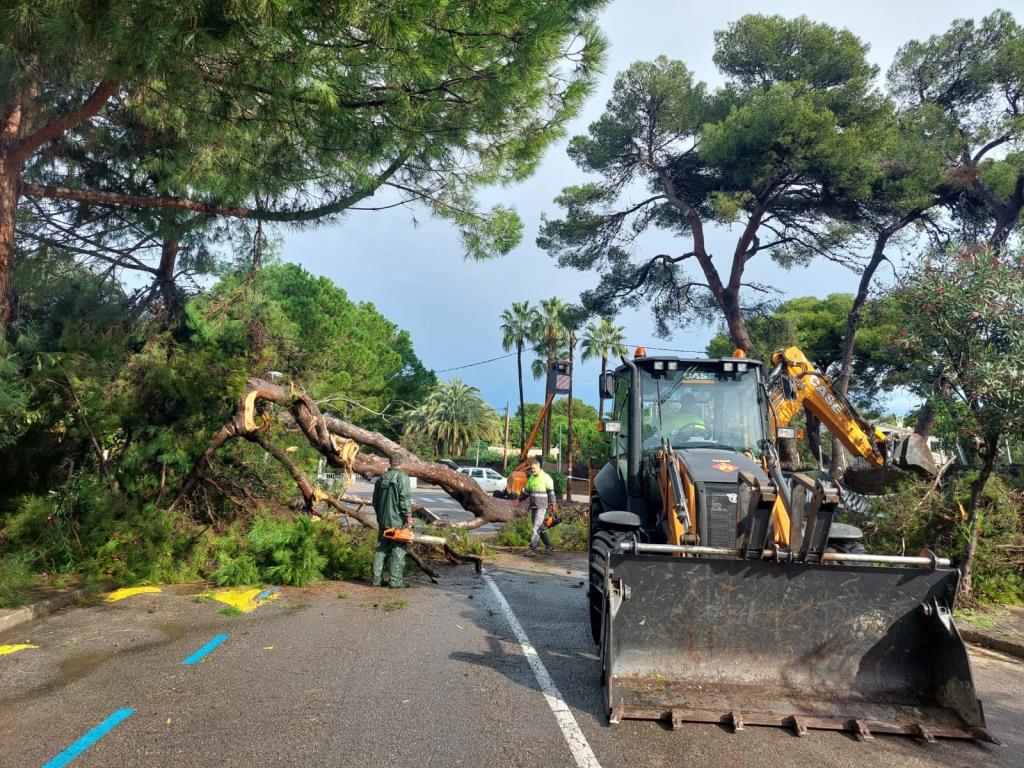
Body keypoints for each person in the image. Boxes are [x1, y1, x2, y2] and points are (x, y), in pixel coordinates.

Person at [371, 456, 414, 588]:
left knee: (381, 548)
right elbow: (404, 499)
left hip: (383, 520)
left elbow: (375, 500)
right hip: (397, 521)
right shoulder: (403, 477)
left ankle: (376, 580)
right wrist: (408, 516)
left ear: (390, 463)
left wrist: (380, 515)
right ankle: (395, 581)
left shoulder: (381, 478)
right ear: (401, 463)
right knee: (398, 549)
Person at [519, 459, 557, 557]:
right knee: (540, 528)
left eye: (534, 469)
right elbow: (527, 492)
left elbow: (551, 493)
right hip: (534, 506)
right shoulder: (531, 478)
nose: (532, 470)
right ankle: (549, 545)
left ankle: (531, 549)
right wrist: (519, 499)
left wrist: (554, 505)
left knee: (535, 528)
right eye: (531, 469)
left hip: (542, 507)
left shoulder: (546, 478)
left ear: (539, 467)